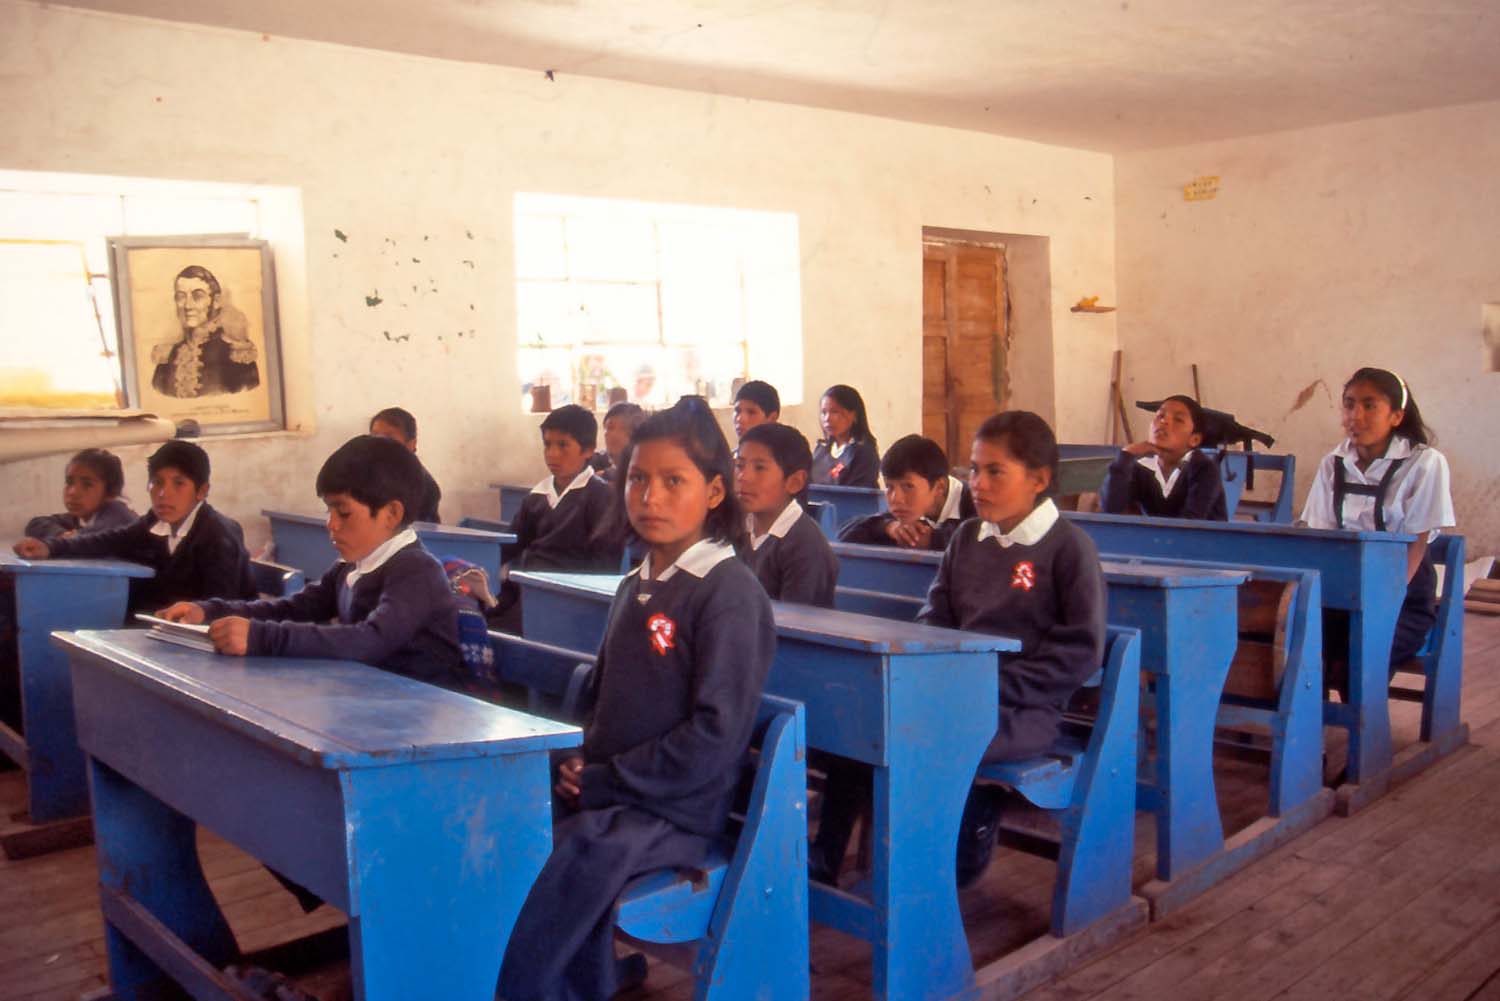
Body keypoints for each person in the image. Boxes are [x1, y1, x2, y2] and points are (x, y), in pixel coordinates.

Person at [497, 396, 776, 1001]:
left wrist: (603, 781)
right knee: (504, 827)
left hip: (676, 810)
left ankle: (529, 988)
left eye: (674, 481)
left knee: (568, 857)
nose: (650, 498)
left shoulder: (727, 593)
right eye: (638, 480)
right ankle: (570, 981)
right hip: (618, 792)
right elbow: (602, 697)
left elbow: (714, 736)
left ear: (714, 492)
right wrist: (575, 762)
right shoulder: (636, 582)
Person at [810, 411, 1106, 889]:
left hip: (1023, 709)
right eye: (974, 470)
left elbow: (1080, 652)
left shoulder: (1070, 549)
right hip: (956, 692)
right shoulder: (967, 538)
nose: (977, 484)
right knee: (865, 721)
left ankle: (950, 846)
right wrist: (932, 671)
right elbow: (936, 616)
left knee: (924, 735)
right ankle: (827, 858)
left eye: (995, 472)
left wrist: (990, 687)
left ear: (1038, 480)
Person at [157, 435, 464, 687]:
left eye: (343, 512)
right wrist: (209, 611)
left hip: (430, 716)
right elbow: (294, 608)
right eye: (329, 511)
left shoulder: (416, 571)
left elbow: (369, 640)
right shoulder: (350, 567)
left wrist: (261, 637)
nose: (331, 524)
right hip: (374, 698)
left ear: (391, 514)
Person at [1300, 368, 1454, 676]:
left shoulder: (1425, 462)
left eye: (1369, 405)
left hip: (1402, 597)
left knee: (1359, 655)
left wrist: (1384, 600)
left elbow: (1417, 542)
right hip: (1342, 590)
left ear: (1396, 416)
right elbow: (1321, 536)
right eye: (1349, 404)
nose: (1355, 415)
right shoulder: (1332, 463)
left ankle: (1364, 706)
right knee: (1294, 646)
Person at [12, 440, 255, 612]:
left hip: (213, 639)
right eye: (157, 482)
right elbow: (109, 540)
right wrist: (50, 548)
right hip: (165, 625)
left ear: (202, 491)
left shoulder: (218, 536)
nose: (163, 494)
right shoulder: (156, 521)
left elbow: (223, 608)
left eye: (178, 483)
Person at [734, 422, 839, 606]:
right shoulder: (735, 528)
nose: (743, 476)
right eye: (739, 465)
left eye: (759, 468)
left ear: (794, 482)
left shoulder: (806, 547)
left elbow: (798, 619)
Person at [1099, 394, 1227, 520]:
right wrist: (1126, 455)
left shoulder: (1205, 469)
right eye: (1160, 416)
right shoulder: (1141, 468)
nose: (1164, 421)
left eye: (1178, 420)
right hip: (1159, 534)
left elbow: (1191, 523)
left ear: (1194, 439)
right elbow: (1111, 509)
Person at [836, 434, 976, 549]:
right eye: (889, 486)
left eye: (908, 486)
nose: (896, 498)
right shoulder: (906, 509)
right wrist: (889, 527)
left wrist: (932, 540)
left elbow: (979, 547)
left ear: (940, 487)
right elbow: (844, 535)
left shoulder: (976, 503)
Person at [150, 265, 260, 398]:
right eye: (181, 297)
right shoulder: (167, 358)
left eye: (198, 296)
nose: (187, 305)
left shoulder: (237, 356)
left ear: (216, 301)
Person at [24, 448, 137, 541]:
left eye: (87, 485)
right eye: (69, 482)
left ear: (110, 492)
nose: (72, 492)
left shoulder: (118, 515)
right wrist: (61, 534)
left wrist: (69, 539)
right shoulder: (81, 517)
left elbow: (90, 539)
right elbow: (36, 524)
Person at [369, 406, 442, 523]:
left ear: (411, 445)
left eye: (388, 438)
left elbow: (413, 530)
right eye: (374, 436)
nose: (378, 444)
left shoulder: (424, 486)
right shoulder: (363, 472)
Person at [809, 384, 879, 487]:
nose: (827, 418)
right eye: (824, 413)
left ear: (854, 415)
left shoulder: (864, 453)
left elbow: (857, 492)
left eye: (834, 412)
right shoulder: (821, 451)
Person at [592, 401, 647, 483]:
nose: (606, 434)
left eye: (610, 427)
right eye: (605, 428)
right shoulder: (600, 470)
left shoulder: (645, 475)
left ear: (632, 433)